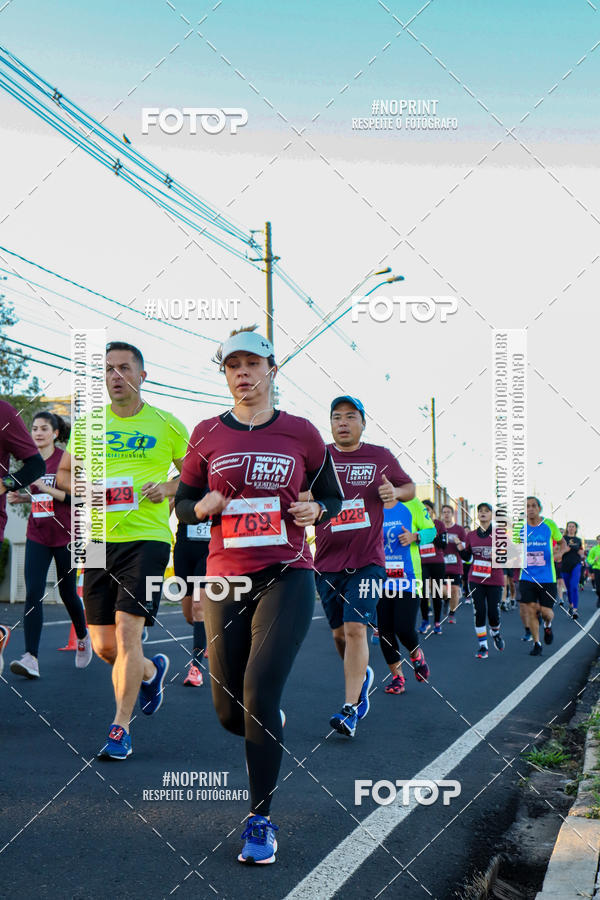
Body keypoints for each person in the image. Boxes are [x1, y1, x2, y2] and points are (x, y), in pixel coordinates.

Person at [175, 326, 343, 865]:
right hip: (226, 577)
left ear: (273, 369)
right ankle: (266, 719)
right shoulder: (206, 434)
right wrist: (203, 509)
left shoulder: (302, 433)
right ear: (224, 375)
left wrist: (317, 510)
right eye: (232, 366)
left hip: (288, 572)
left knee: (260, 691)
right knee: (231, 712)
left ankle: (260, 821)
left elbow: (333, 497)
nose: (242, 373)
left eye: (252, 363)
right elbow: (183, 505)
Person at [57, 342, 188, 759]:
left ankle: (120, 728)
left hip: (147, 539)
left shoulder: (167, 424)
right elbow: (62, 477)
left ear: (142, 376)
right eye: (109, 370)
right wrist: (85, 489)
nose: (116, 376)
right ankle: (151, 672)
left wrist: (167, 487)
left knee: (130, 630)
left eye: (124, 368)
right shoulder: (89, 425)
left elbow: (194, 477)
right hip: (97, 540)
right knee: (104, 647)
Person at [313, 396, 415, 737]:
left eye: (350, 416)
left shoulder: (380, 456)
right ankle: (364, 676)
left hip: (369, 562)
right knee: (340, 634)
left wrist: (394, 493)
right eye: (336, 417)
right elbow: (297, 494)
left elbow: (410, 488)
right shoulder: (318, 456)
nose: (343, 422)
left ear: (363, 422)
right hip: (326, 563)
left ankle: (350, 707)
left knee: (356, 629)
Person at [8, 411, 91, 678]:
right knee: (33, 592)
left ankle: (82, 635)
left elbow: (80, 499)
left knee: (68, 593)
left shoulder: (67, 461)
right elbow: (39, 498)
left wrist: (45, 487)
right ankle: (31, 657)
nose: (38, 433)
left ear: (56, 433)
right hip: (38, 534)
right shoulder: (31, 462)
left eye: (44, 428)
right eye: (34, 428)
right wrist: (22, 498)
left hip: (66, 535)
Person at [0, 399, 45, 675]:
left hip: (55, 536)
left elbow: (35, 466)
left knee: (54, 590)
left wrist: (6, 484)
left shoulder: (3, 412)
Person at [377, 497, 435, 694]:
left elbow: (432, 531)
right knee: (384, 632)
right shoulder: (371, 504)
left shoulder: (412, 504)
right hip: (380, 578)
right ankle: (397, 678)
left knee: (403, 628)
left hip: (408, 577)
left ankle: (416, 655)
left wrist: (415, 537)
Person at [517, 496, 567, 656]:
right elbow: (515, 548)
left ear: (539, 508)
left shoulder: (549, 525)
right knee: (531, 610)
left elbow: (563, 544)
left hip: (547, 577)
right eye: (527, 506)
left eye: (533, 506)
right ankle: (537, 643)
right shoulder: (521, 528)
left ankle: (548, 625)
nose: (530, 509)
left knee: (546, 612)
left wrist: (558, 554)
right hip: (526, 576)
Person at [458, 503, 505, 658]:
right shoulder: (470, 535)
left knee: (493, 612)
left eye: (486, 511)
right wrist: (460, 549)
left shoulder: (499, 533)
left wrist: (497, 557)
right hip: (476, 578)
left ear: (492, 515)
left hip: (495, 579)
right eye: (480, 511)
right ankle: (483, 646)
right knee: (479, 611)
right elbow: (467, 558)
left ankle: (495, 632)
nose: (483, 513)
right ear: (477, 515)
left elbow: (509, 557)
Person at [173, 515, 210, 687]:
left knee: (198, 606)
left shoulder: (221, 487)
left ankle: (195, 668)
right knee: (189, 615)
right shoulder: (182, 487)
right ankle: (209, 635)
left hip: (211, 548)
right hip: (184, 547)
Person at [419, 499, 446, 635]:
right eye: (423, 509)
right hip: (422, 563)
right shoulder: (417, 524)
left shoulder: (439, 524)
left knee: (436, 593)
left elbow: (444, 545)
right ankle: (425, 621)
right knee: (423, 593)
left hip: (437, 563)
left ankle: (437, 622)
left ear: (432, 511)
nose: (426, 511)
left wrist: (433, 534)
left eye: (428, 509)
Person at [440, 504, 468, 623]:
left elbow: (465, 546)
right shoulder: (438, 529)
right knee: (443, 591)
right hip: (441, 564)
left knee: (455, 589)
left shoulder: (459, 529)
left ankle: (452, 613)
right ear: (441, 515)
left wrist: (458, 543)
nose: (446, 514)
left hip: (455, 564)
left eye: (448, 512)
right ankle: (446, 600)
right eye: (444, 512)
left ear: (452, 514)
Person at [561, 522, 585, 618]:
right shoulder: (563, 539)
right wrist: (564, 550)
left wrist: (581, 553)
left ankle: (575, 610)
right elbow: (558, 550)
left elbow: (582, 553)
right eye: (569, 526)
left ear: (576, 529)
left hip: (576, 565)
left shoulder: (578, 540)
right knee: (568, 589)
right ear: (567, 528)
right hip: (565, 565)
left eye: (573, 526)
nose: (571, 528)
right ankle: (571, 605)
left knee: (574, 586)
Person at [587, 538, 600, 607]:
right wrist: (594, 560)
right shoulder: (594, 549)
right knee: (598, 588)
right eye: (599, 539)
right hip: (597, 568)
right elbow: (589, 559)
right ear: (597, 540)